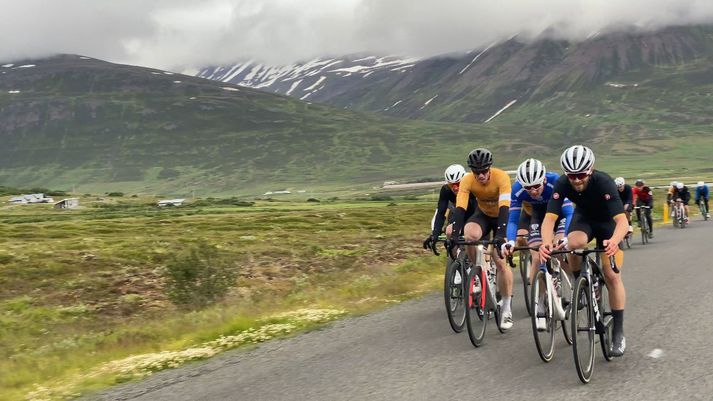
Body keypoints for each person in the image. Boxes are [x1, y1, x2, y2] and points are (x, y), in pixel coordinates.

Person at [539, 145, 629, 357]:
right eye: (572, 176)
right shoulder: (562, 183)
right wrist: (545, 243)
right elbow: (549, 219)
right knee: (574, 243)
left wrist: (614, 241)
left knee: (611, 275)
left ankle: (618, 331)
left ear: (590, 170)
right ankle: (582, 282)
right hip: (584, 219)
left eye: (581, 175)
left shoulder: (604, 182)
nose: (577, 180)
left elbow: (622, 222)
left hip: (608, 224)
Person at [501, 158, 573, 330]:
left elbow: (570, 212)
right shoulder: (517, 189)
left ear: (544, 180)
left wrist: (566, 236)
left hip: (561, 214)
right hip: (539, 216)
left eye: (536, 186)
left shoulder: (556, 181)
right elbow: (512, 220)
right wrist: (510, 240)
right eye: (528, 188)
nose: (533, 191)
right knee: (536, 255)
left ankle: (573, 279)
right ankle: (540, 301)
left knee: (558, 247)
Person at [449, 148, 514, 330]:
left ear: (490, 168)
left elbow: (504, 207)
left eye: (484, 171)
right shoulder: (467, 180)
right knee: (469, 235)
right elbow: (460, 209)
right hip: (483, 215)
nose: (481, 175)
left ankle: (507, 308)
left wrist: (501, 235)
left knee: (500, 262)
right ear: (472, 171)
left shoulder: (501, 177)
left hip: (502, 217)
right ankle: (477, 272)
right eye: (477, 172)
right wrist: (454, 235)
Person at [423, 164, 477, 256]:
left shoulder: (473, 186)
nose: (455, 188)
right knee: (449, 231)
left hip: (477, 213)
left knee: (473, 236)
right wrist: (435, 233)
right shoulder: (446, 190)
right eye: (451, 184)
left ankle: (484, 264)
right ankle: (454, 261)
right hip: (461, 214)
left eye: (458, 184)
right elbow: (441, 212)